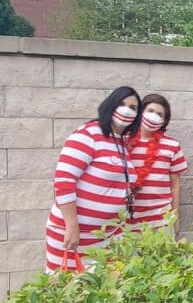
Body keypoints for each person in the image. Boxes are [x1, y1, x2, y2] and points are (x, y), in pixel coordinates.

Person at [44, 86, 141, 272]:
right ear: (110, 105)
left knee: (94, 293)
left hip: (105, 237)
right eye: (122, 104)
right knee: (65, 289)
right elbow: (64, 181)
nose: (127, 110)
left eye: (133, 107)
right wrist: (72, 226)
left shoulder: (120, 141)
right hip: (76, 235)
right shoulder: (88, 134)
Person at [127, 93, 188, 232]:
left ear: (164, 120)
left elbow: (175, 186)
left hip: (161, 220)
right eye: (150, 111)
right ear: (141, 112)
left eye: (160, 114)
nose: (154, 116)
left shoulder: (172, 144)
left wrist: (175, 218)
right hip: (129, 221)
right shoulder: (124, 142)